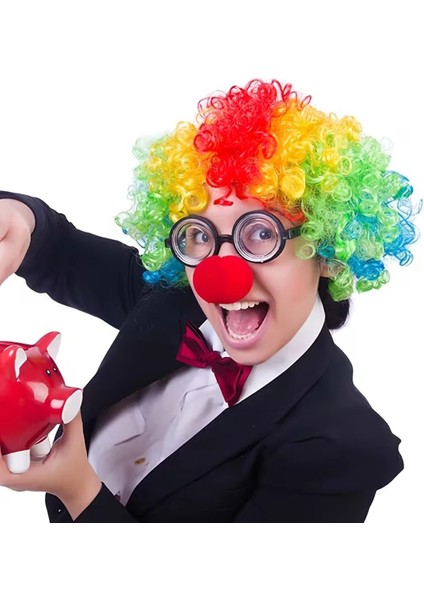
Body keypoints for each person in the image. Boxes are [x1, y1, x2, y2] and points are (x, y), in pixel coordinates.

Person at [0, 78, 419, 522]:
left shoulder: (344, 447)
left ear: (328, 250)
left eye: (261, 233)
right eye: (200, 234)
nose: (220, 275)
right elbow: (55, 248)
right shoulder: (170, 302)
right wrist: (17, 219)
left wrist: (77, 490)